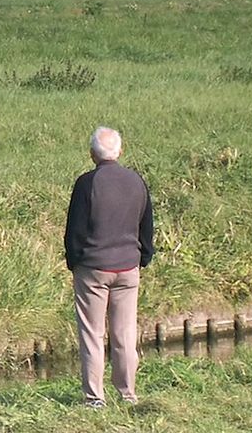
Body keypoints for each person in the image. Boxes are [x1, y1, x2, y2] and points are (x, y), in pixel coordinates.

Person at [64, 126, 154, 407]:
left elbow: (75, 229)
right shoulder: (136, 181)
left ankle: (94, 398)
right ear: (120, 152)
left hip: (93, 267)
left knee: (92, 333)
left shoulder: (86, 183)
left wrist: (74, 260)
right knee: (125, 333)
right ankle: (128, 394)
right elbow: (146, 225)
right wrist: (143, 257)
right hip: (128, 267)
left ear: (92, 154)